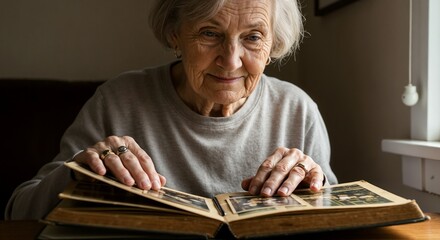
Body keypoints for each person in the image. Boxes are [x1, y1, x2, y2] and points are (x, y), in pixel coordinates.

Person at [6, 0, 337, 220]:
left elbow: (339, 221)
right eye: (210, 33)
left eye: (252, 37)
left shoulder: (298, 111)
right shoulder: (118, 100)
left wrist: (316, 187)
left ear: (272, 45)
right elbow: (18, 211)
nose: (231, 60)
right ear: (174, 34)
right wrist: (75, 172)